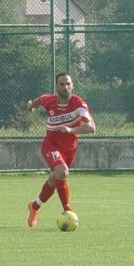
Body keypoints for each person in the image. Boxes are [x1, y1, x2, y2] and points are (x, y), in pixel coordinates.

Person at [26, 72, 95, 228]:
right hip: (51, 145)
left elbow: (91, 128)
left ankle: (34, 206)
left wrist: (71, 130)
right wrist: (30, 107)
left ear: (72, 86)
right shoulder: (49, 100)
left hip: (69, 149)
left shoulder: (78, 104)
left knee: (54, 179)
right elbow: (37, 101)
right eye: (62, 84)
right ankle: (67, 209)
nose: (65, 87)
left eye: (68, 84)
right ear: (56, 87)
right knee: (62, 172)